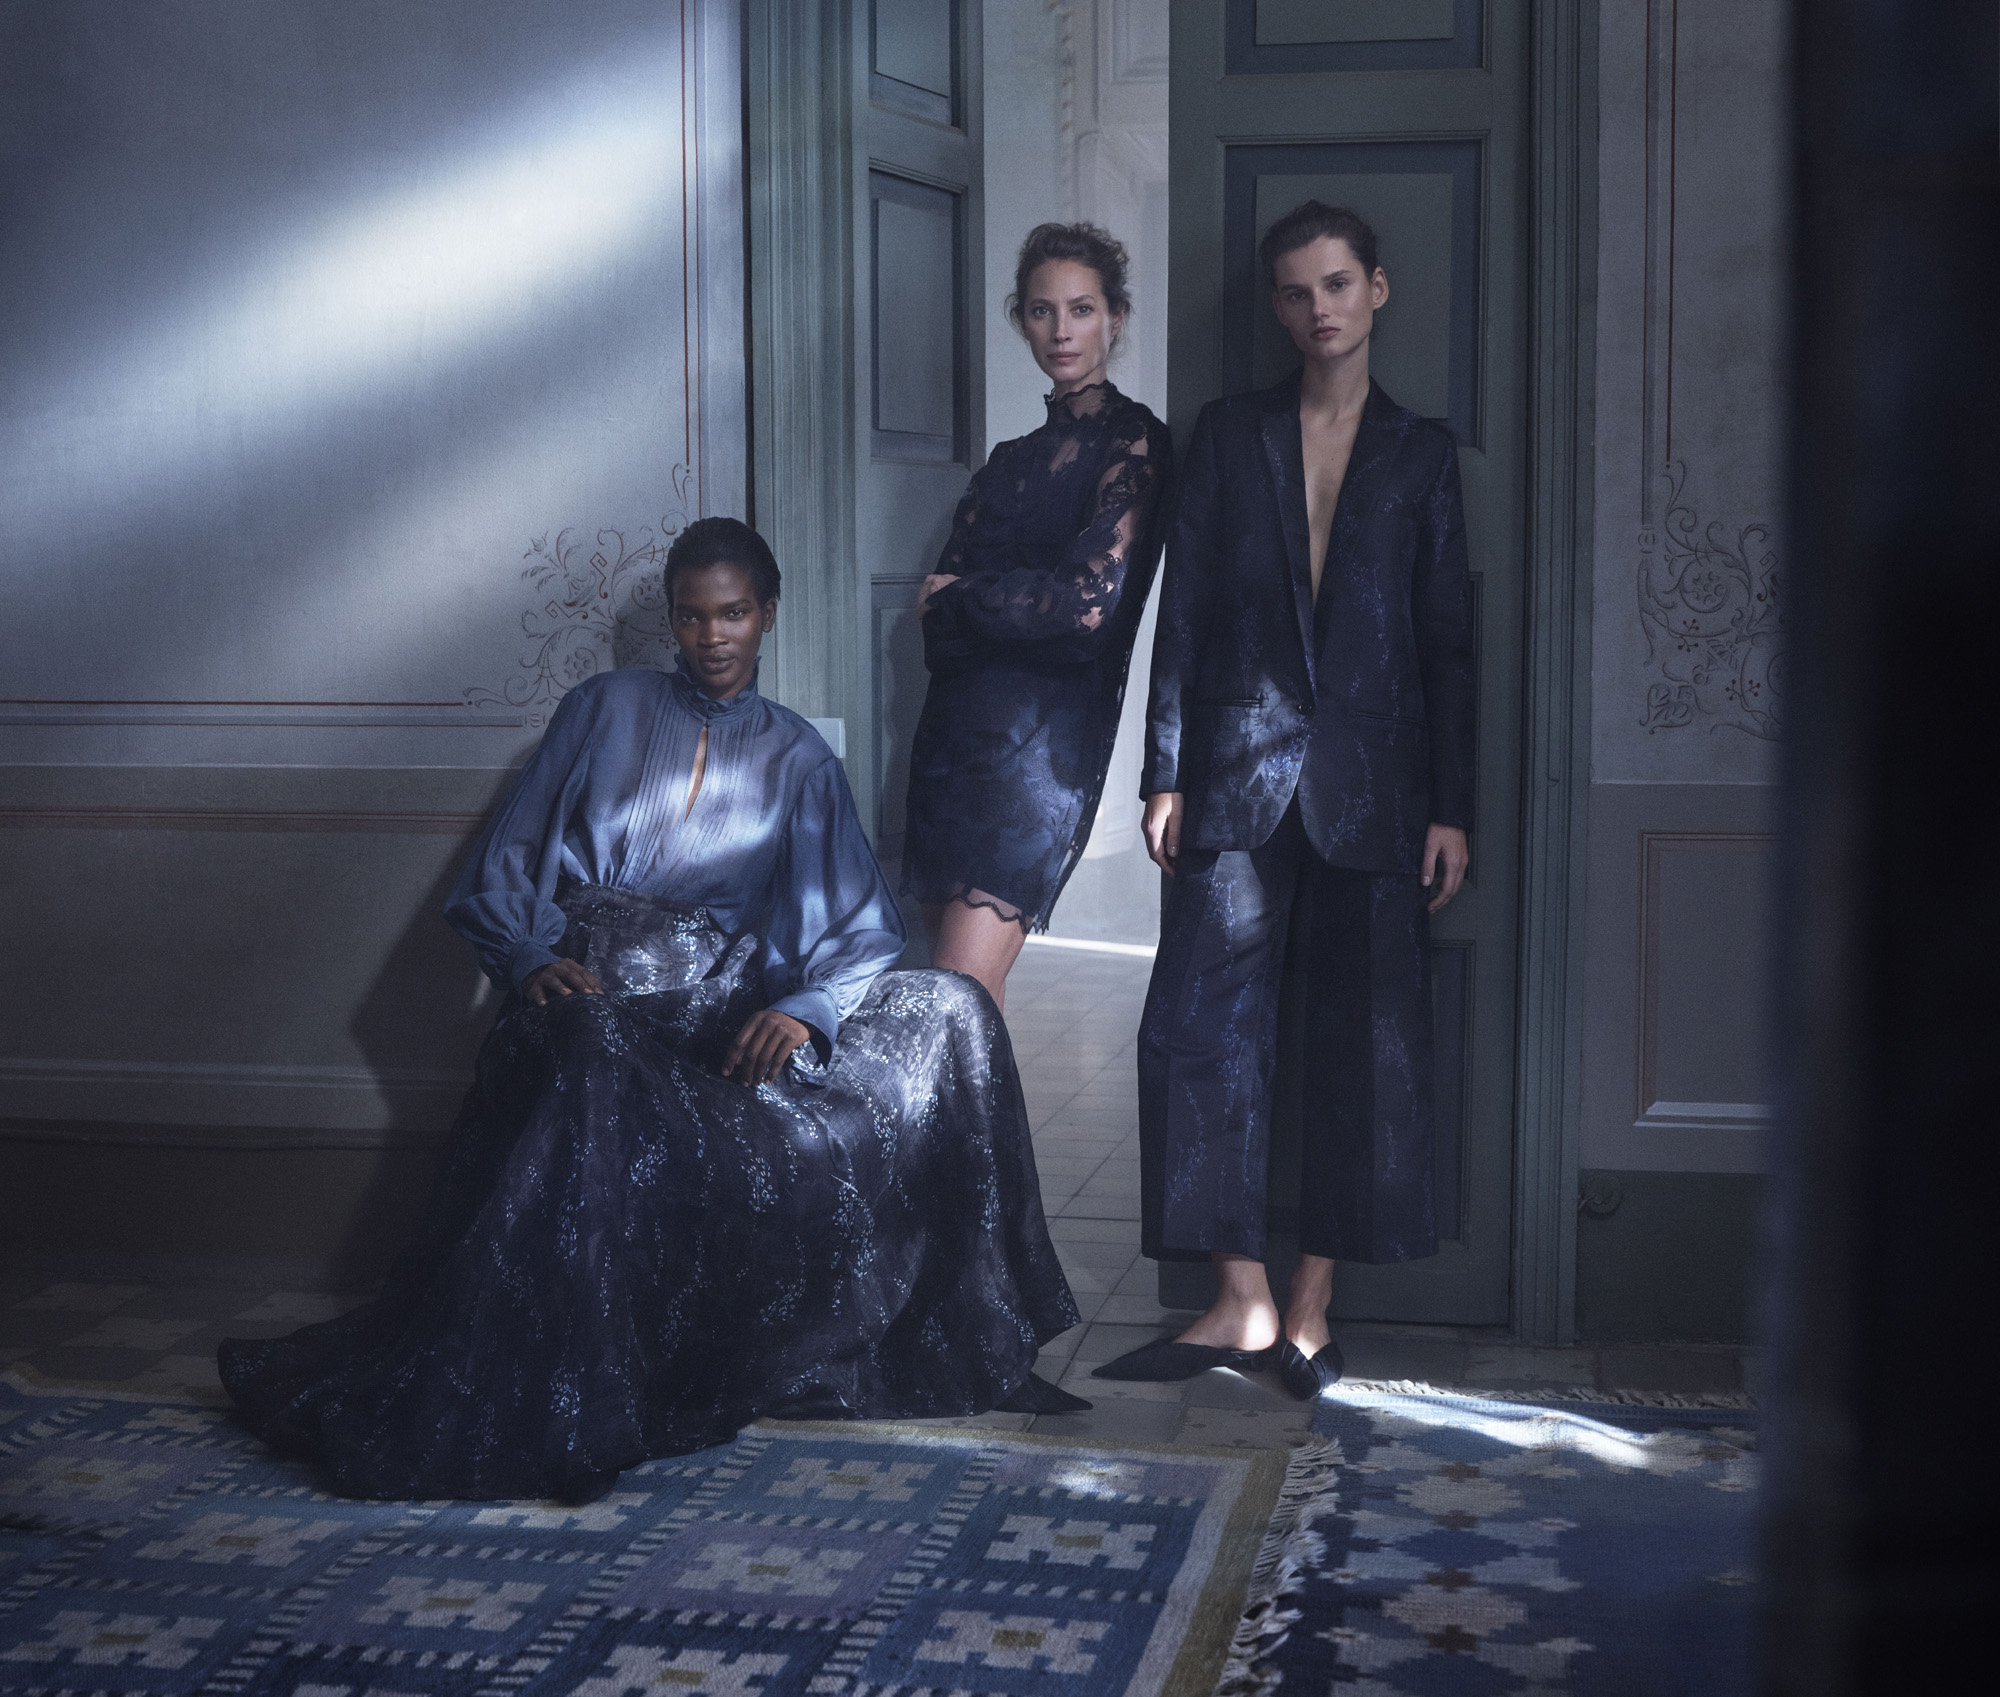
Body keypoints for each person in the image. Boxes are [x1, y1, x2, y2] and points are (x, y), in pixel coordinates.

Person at [219, 518, 1084, 1503]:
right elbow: (505, 861)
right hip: (587, 1004)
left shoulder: (799, 757)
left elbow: (852, 922)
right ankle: (574, 1401)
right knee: (592, 1042)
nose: (711, 636)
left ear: (766, 615)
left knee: (952, 1004)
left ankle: (979, 1339)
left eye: (732, 613)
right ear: (672, 619)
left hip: (715, 1011)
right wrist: (528, 955)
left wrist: (805, 1008)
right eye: (691, 615)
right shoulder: (601, 709)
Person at [1096, 201, 1475, 1400]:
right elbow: (1184, 610)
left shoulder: (1420, 454)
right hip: (1232, 773)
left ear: (1376, 289)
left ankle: (1309, 1306)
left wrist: (1450, 806)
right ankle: (1238, 1298)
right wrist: (1163, 768)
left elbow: (1445, 642)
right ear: (1275, 304)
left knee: (1362, 1047)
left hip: (1375, 789)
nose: (1318, 308)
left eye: (1336, 284)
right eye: (1296, 290)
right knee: (1194, 1030)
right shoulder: (1228, 434)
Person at [902, 222, 1172, 1009]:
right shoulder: (1006, 463)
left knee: (957, 999)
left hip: (1038, 757)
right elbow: (935, 634)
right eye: (1042, 310)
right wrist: (1008, 601)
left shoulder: (1134, 442)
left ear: (1115, 318)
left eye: (1081, 309)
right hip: (952, 739)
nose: (1061, 330)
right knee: (951, 1009)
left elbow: (1085, 610)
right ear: (1020, 320)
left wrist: (964, 596)